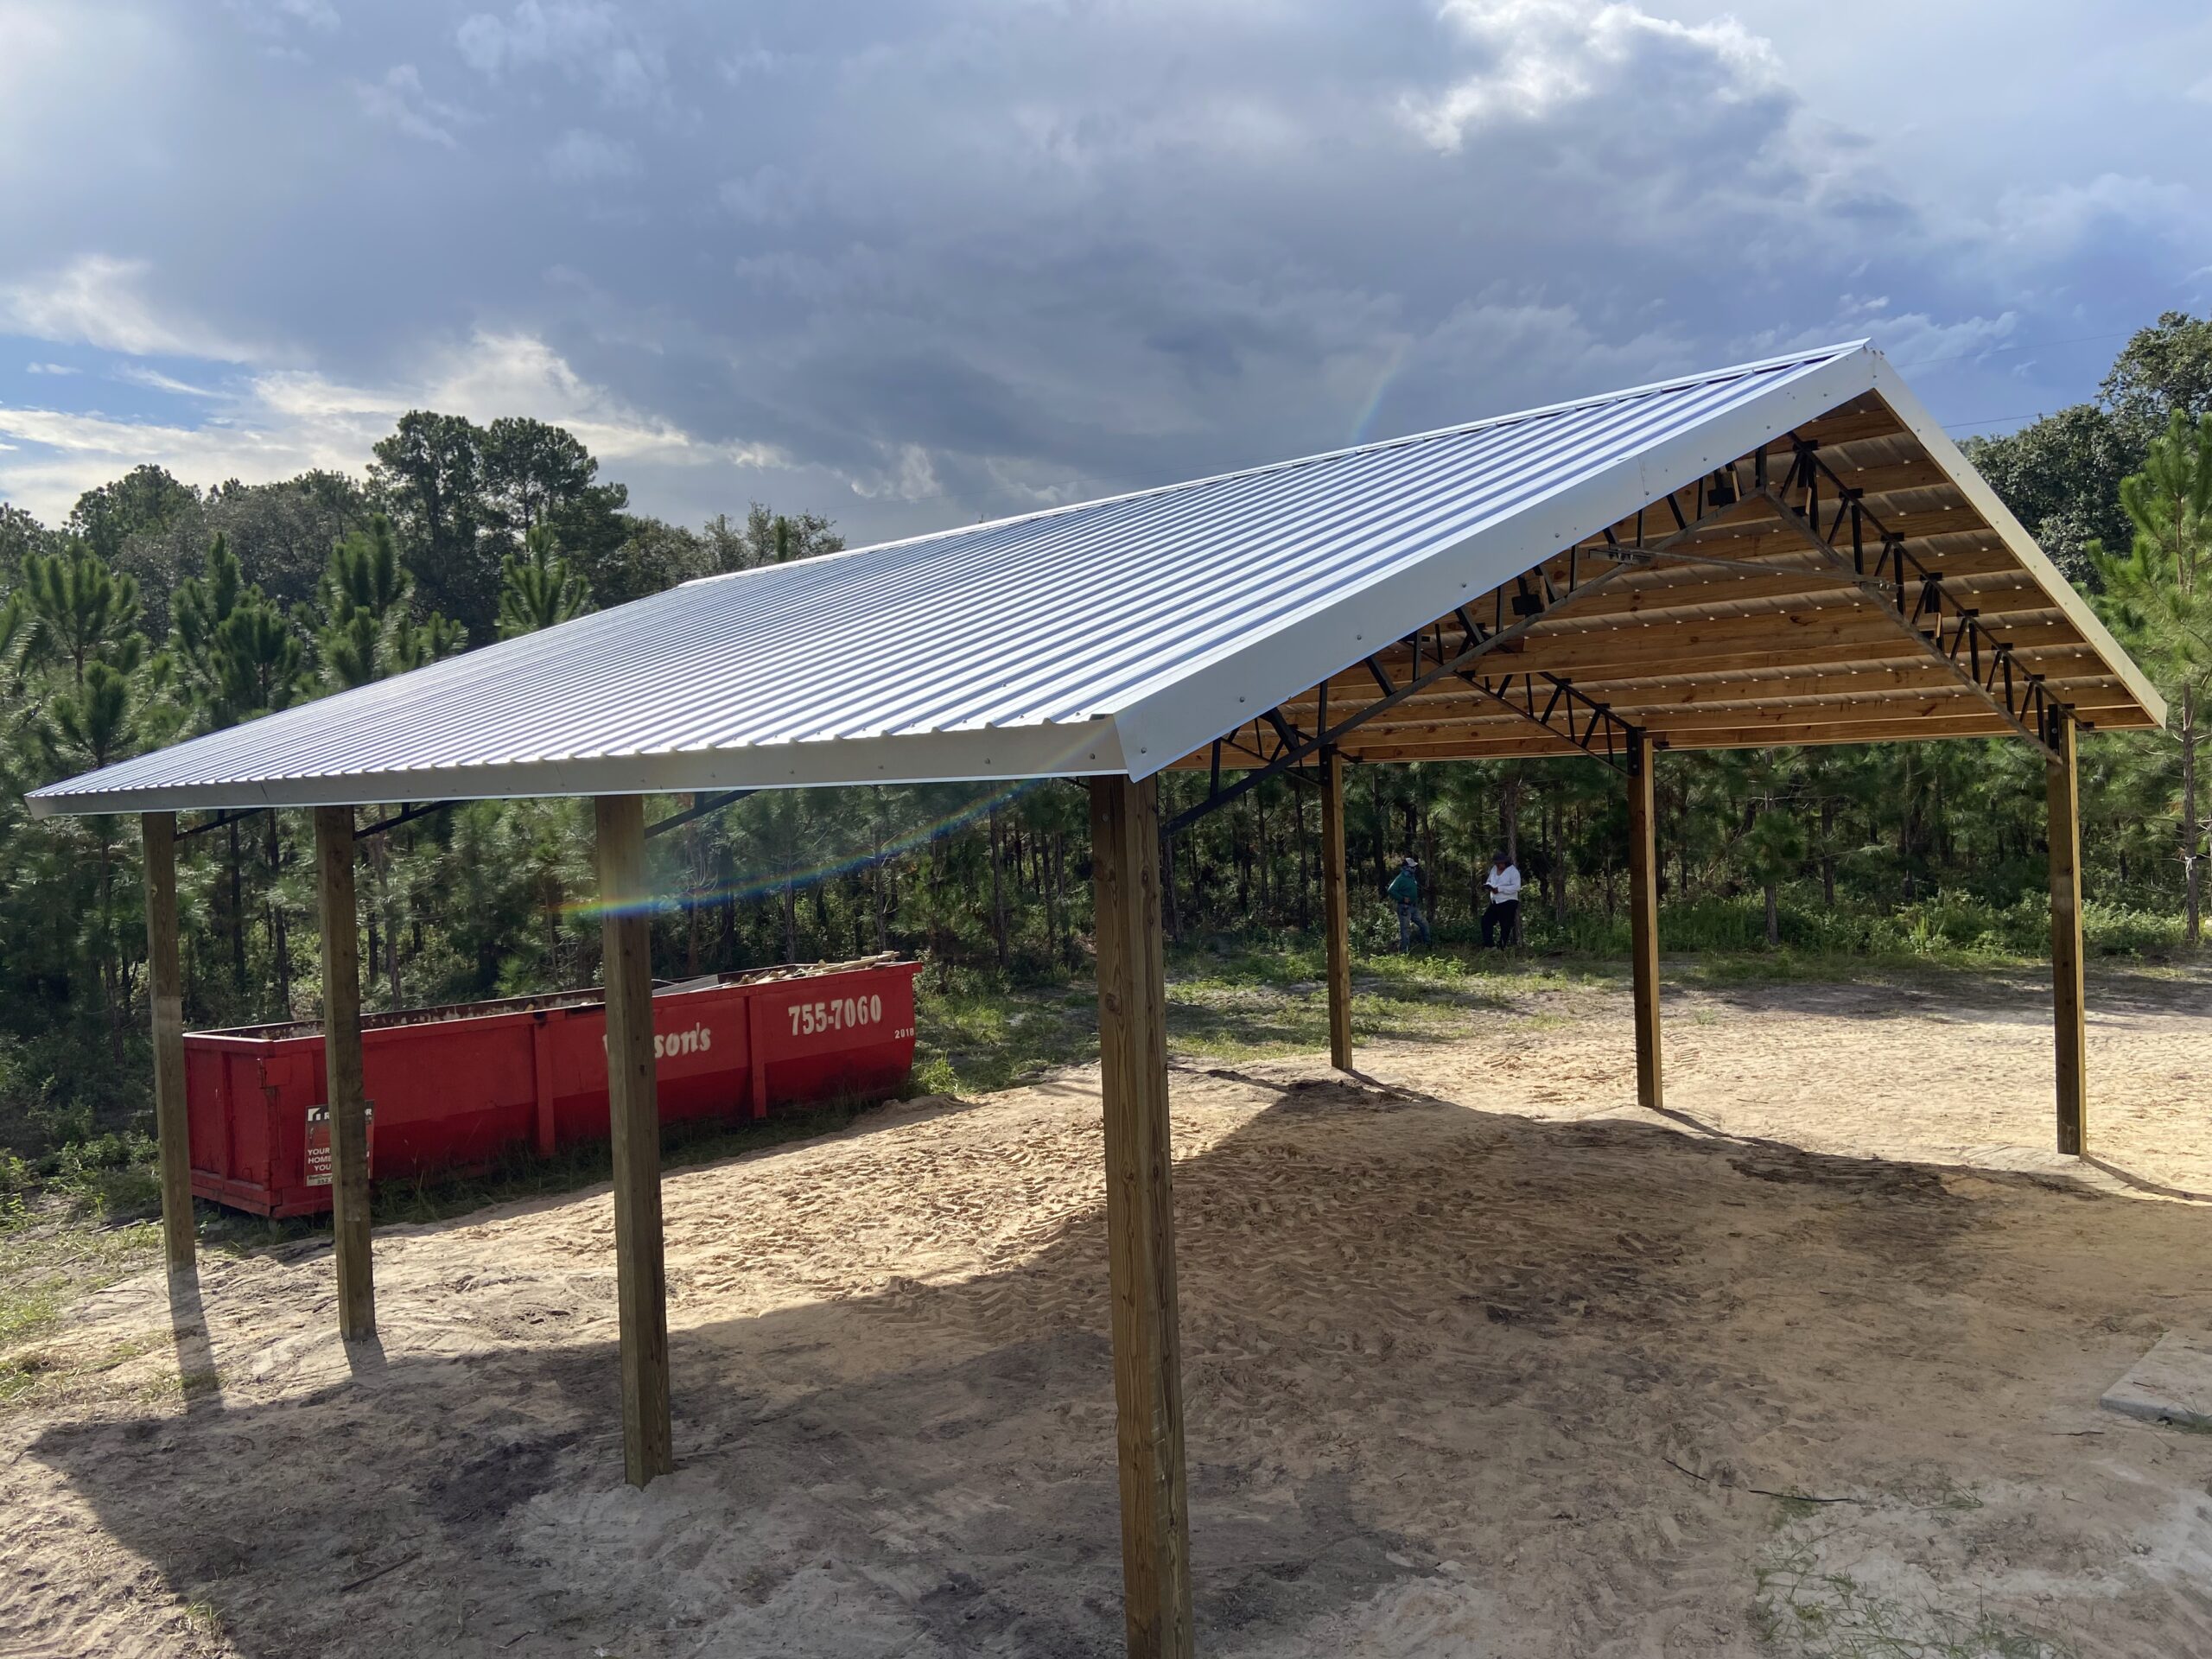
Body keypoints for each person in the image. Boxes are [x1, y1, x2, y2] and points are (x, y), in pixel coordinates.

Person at [1387, 855, 1430, 953]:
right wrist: (1402, 898)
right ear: (1406, 867)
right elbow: (1391, 890)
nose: (1414, 869)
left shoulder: (1411, 877)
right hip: (1404, 907)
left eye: (1414, 867)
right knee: (1405, 929)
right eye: (1412, 867)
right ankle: (1404, 951)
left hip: (1414, 907)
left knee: (1424, 924)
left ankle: (1427, 946)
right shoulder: (1400, 878)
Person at [1481, 851, 1522, 949]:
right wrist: (1489, 886)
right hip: (1495, 901)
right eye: (1497, 864)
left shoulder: (1513, 872)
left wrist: (1500, 889)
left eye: (1500, 863)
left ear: (1505, 862)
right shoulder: (1494, 869)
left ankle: (1502, 947)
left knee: (1505, 925)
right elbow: (1489, 880)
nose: (1498, 866)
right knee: (1486, 921)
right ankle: (1489, 945)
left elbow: (1517, 887)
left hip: (1508, 901)